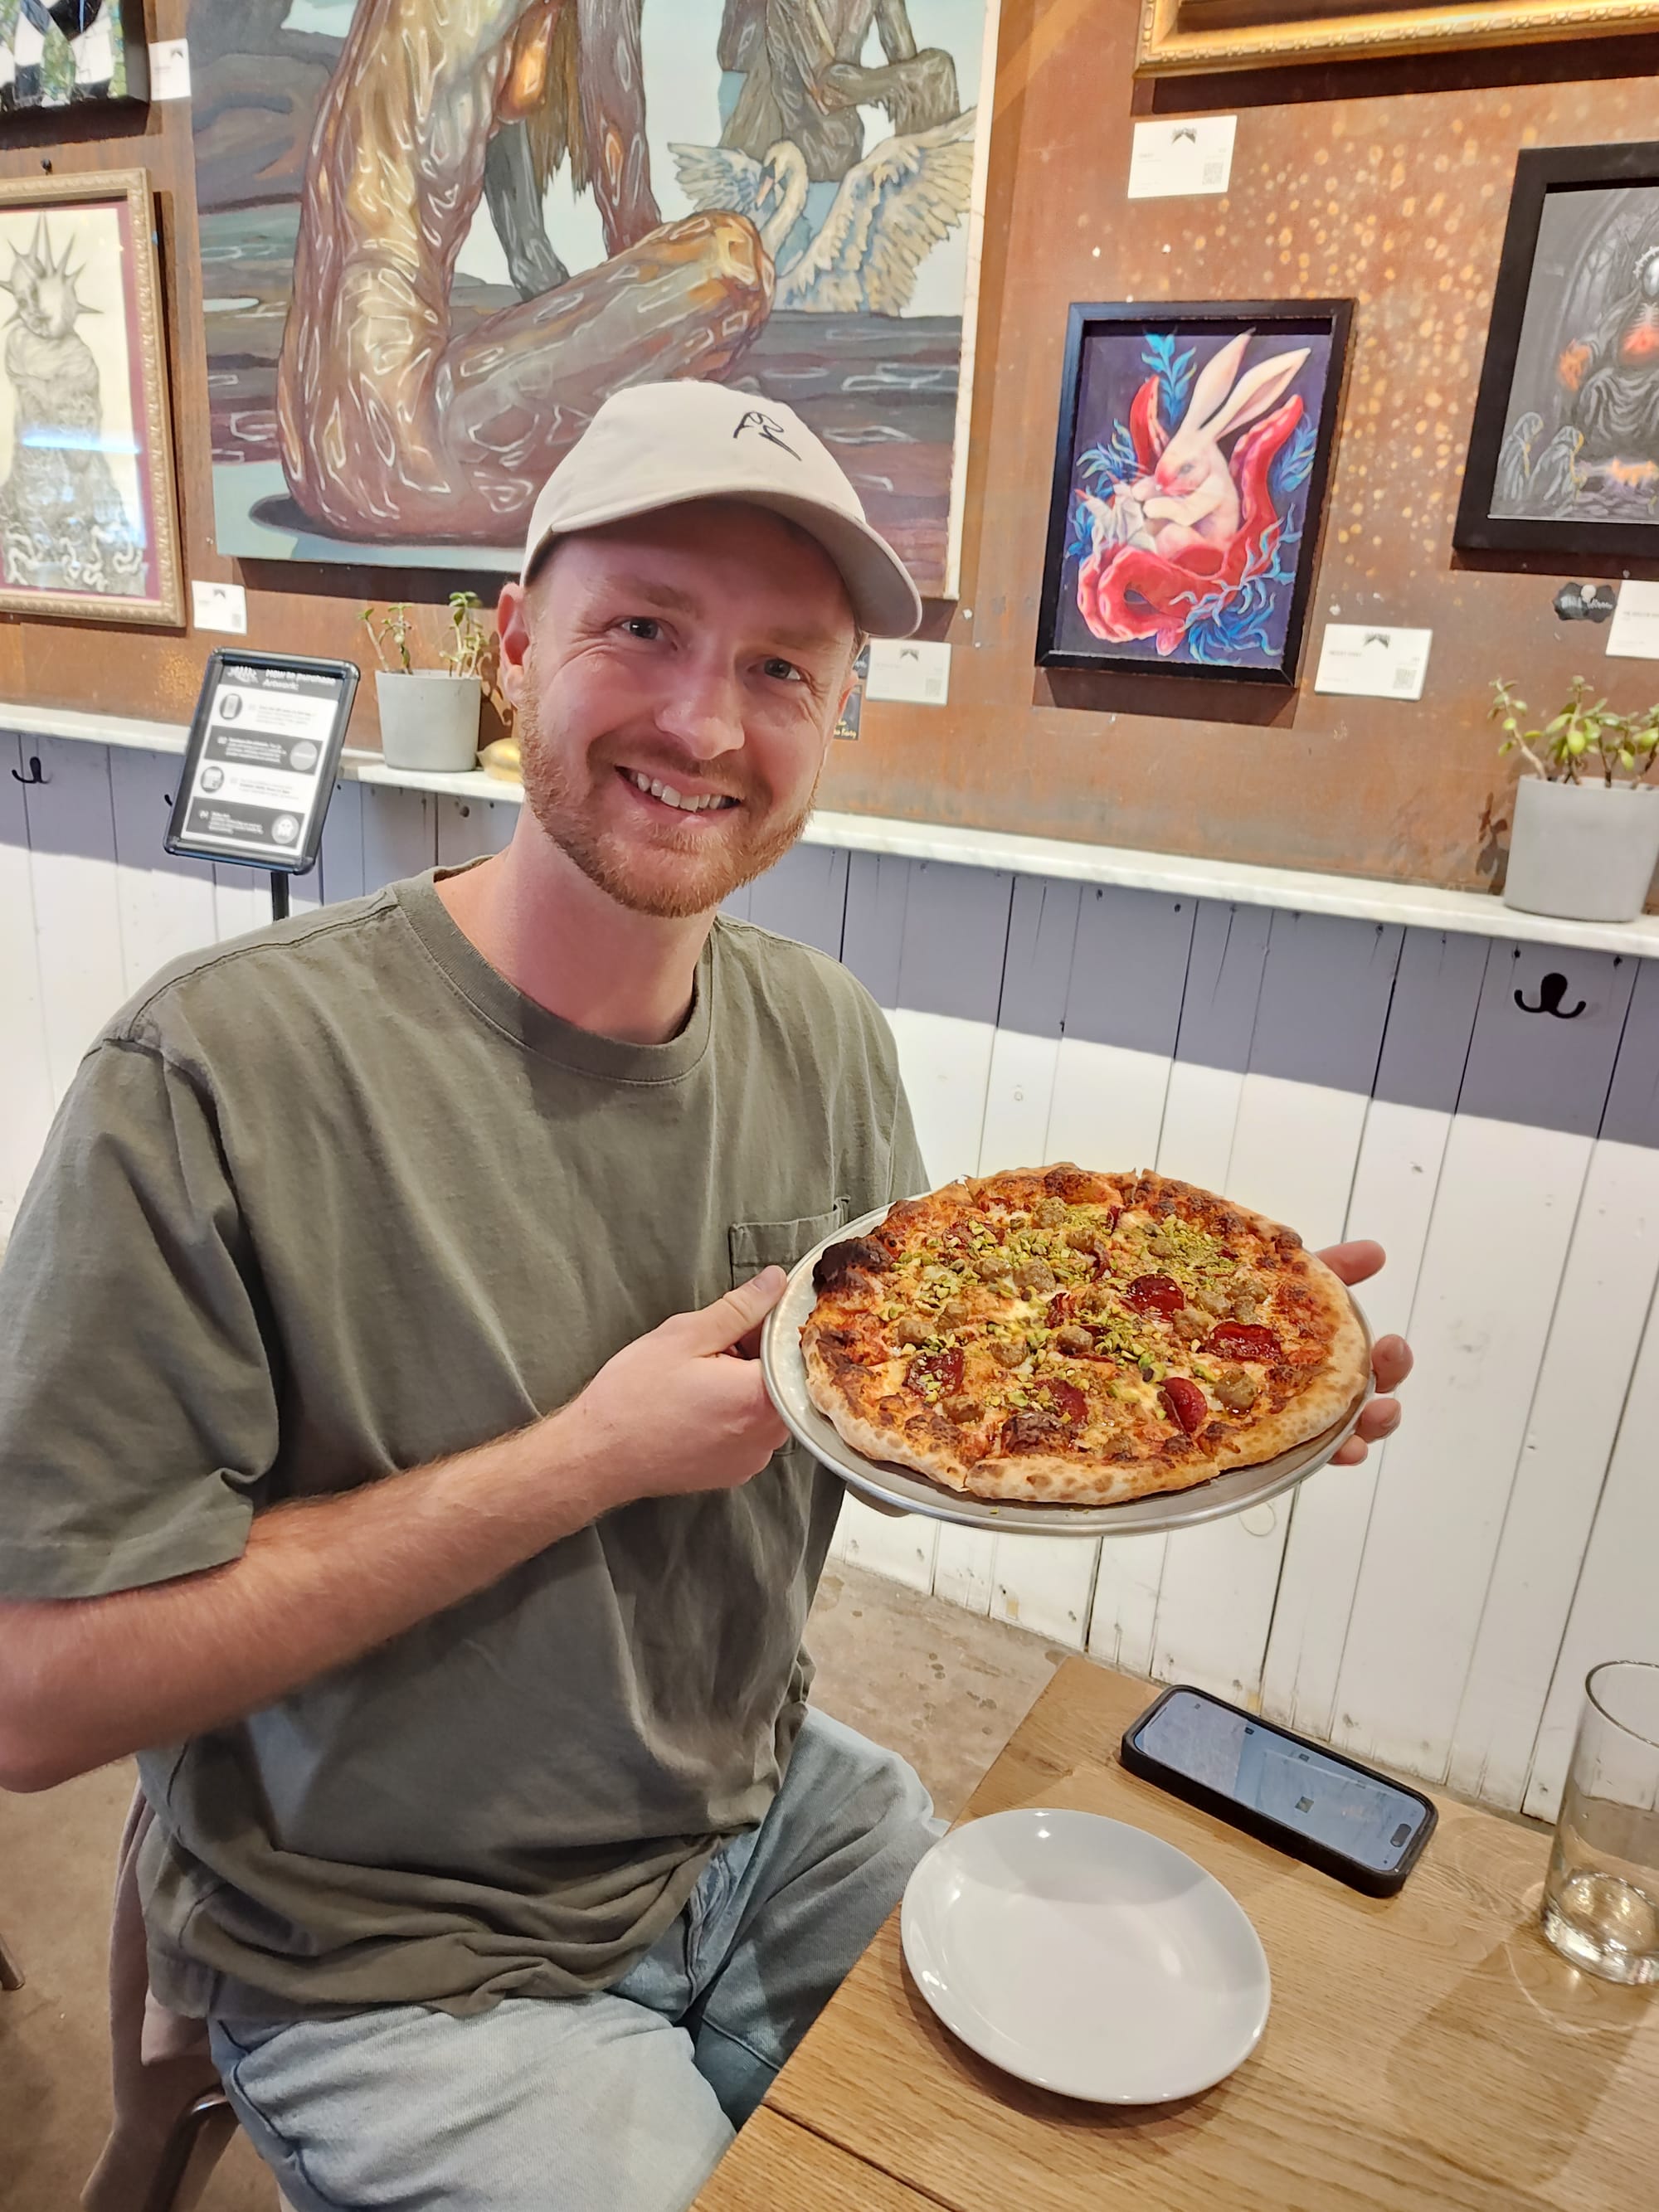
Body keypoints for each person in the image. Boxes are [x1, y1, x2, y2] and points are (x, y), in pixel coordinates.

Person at [0, 379, 1411, 2212]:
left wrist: (1200, 1416)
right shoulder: (216, 1069)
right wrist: (578, 1457)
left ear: (839, 714)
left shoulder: (821, 1032)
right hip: (394, 1949)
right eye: (642, 626)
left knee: (1128, 2157)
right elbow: (30, 1698)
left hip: (753, 1813)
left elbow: (921, 1411)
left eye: (779, 668)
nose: (701, 719)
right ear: (511, 642)